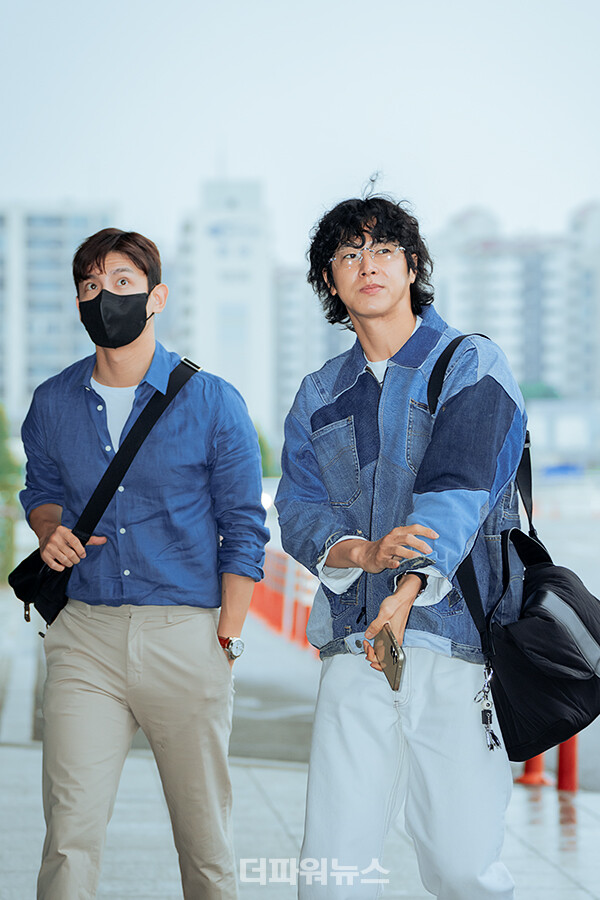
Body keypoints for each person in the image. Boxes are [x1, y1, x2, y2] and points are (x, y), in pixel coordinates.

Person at [275, 195, 526, 899]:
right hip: (356, 648)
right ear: (330, 280)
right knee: (331, 869)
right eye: (349, 254)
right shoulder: (319, 393)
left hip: (455, 645)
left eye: (383, 250)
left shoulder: (470, 362)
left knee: (462, 867)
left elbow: (460, 484)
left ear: (412, 266)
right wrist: (359, 553)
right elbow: (297, 508)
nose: (368, 265)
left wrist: (406, 588)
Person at [20, 227, 269, 900]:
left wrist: (228, 638)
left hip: (186, 635)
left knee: (206, 845)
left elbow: (244, 527)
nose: (106, 297)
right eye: (91, 285)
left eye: (123, 283)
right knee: (68, 838)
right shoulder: (51, 403)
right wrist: (50, 530)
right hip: (85, 640)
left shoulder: (214, 401)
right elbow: (39, 492)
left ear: (156, 297)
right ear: (78, 301)